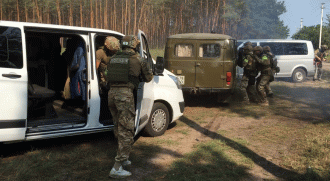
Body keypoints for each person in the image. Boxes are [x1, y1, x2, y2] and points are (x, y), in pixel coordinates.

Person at [107, 35, 153, 178]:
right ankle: (117, 167)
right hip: (124, 96)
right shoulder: (137, 59)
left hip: (111, 95)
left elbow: (107, 75)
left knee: (118, 128)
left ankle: (124, 157)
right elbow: (149, 77)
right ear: (134, 45)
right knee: (127, 131)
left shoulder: (114, 58)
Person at [95, 36, 120, 121]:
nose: (114, 51)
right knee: (105, 101)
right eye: (112, 49)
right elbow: (95, 68)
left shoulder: (117, 52)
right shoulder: (100, 53)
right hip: (104, 82)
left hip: (114, 80)